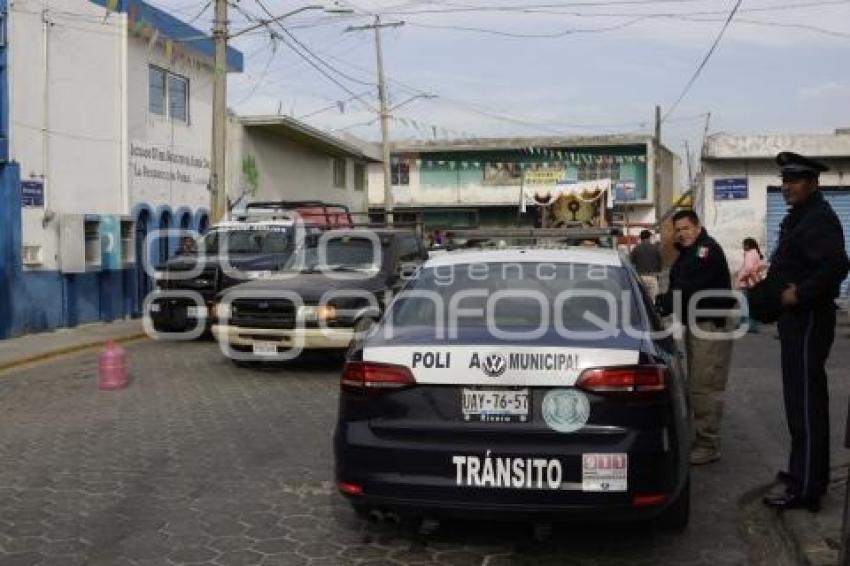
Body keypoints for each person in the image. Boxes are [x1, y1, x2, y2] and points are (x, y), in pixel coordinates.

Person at [760, 152, 850, 512]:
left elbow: (837, 265)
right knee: (798, 402)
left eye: (795, 181)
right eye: (784, 181)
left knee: (807, 403)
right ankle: (803, 473)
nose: (787, 188)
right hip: (796, 320)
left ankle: (807, 488)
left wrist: (801, 292)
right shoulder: (801, 216)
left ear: (812, 183)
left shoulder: (818, 218)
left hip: (809, 318)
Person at [658, 210, 734, 465]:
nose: (681, 233)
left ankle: (708, 444)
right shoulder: (690, 252)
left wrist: (658, 306)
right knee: (697, 384)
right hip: (697, 324)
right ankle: (702, 439)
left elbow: (685, 288)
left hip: (710, 325)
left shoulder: (705, 251)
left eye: (686, 228)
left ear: (698, 227)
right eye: (678, 229)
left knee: (705, 385)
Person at [735, 238, 766, 333]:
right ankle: (750, 325)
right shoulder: (756, 253)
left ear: (749, 245)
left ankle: (746, 325)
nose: (743, 247)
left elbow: (748, 268)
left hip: (747, 283)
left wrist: (742, 277)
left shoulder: (750, 254)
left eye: (744, 244)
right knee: (751, 305)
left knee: (745, 305)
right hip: (752, 282)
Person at [630, 229, 662, 299]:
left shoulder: (636, 249)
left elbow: (631, 263)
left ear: (640, 238)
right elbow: (660, 262)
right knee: (654, 299)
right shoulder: (655, 248)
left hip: (640, 277)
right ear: (649, 237)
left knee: (642, 299)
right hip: (652, 277)